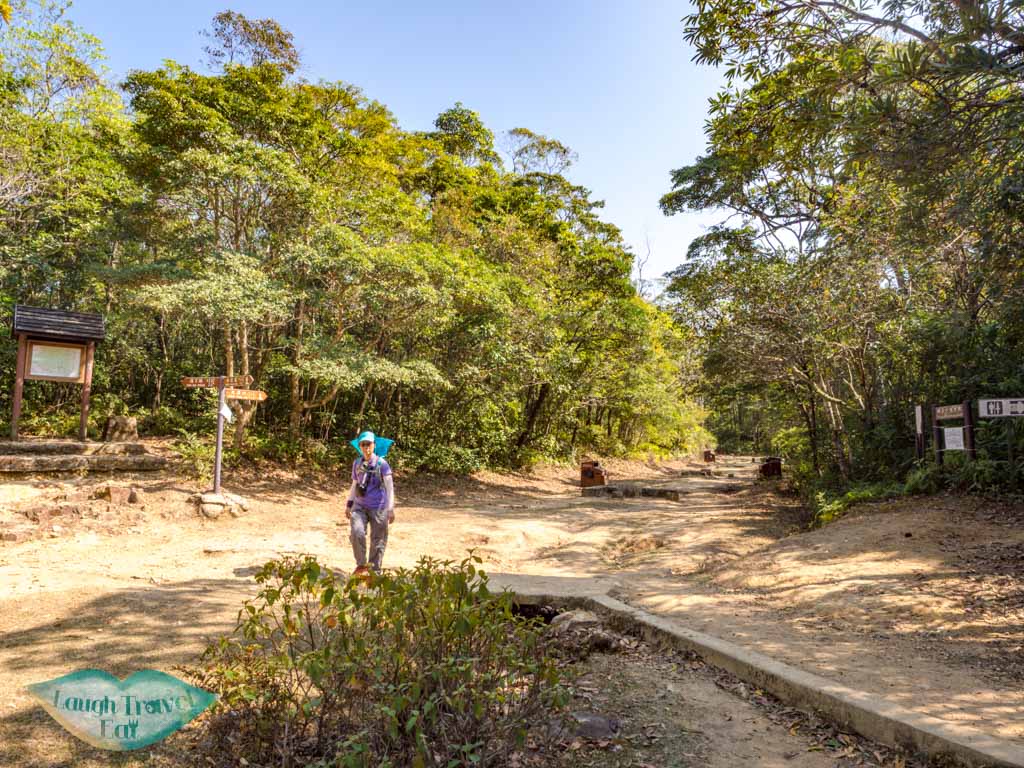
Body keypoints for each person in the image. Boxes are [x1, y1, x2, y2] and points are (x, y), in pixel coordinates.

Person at [345, 431, 395, 575]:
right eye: (363, 444)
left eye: (369, 444)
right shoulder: (357, 463)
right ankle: (361, 565)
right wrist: (349, 504)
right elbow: (354, 485)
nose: (366, 448)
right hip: (359, 506)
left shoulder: (382, 464)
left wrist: (390, 509)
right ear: (359, 446)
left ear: (374, 445)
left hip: (379, 508)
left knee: (378, 540)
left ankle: (374, 571)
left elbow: (390, 487)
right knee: (357, 532)